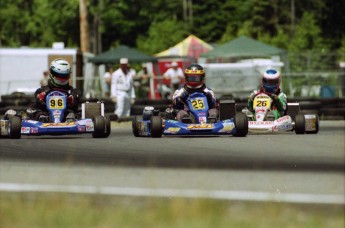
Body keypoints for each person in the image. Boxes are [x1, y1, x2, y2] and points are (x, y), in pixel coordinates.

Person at [5, 58, 80, 122]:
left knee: (71, 113)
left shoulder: (72, 91)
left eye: (65, 76)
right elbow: (37, 105)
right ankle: (42, 119)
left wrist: (71, 102)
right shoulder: (42, 90)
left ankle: (70, 119)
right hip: (46, 114)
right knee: (36, 112)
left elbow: (75, 106)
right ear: (52, 74)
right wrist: (41, 99)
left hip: (65, 115)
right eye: (60, 76)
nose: (62, 79)